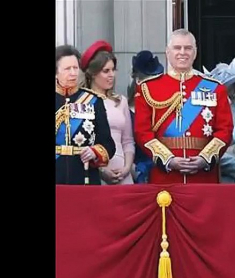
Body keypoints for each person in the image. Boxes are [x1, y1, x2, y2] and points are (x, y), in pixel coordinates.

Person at [133, 29, 233, 184]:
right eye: (177, 48)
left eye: (188, 48)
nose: (182, 52)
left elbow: (225, 129)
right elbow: (142, 132)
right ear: (167, 52)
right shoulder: (148, 88)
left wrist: (204, 158)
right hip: (165, 176)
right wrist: (168, 160)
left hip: (204, 177)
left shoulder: (215, 88)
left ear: (195, 52)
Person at [56, 44, 115, 185]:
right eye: (67, 69)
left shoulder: (93, 101)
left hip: (84, 176)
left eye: (75, 68)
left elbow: (108, 144)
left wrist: (95, 152)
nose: (73, 73)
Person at [81, 40, 135, 185]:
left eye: (113, 70)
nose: (112, 75)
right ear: (93, 73)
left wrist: (127, 168)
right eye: (106, 71)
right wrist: (101, 171)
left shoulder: (121, 101)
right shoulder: (82, 102)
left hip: (123, 174)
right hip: (95, 173)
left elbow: (128, 141)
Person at [128, 50, 165, 183]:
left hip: (165, 170)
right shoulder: (126, 111)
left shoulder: (166, 106)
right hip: (138, 175)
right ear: (138, 80)